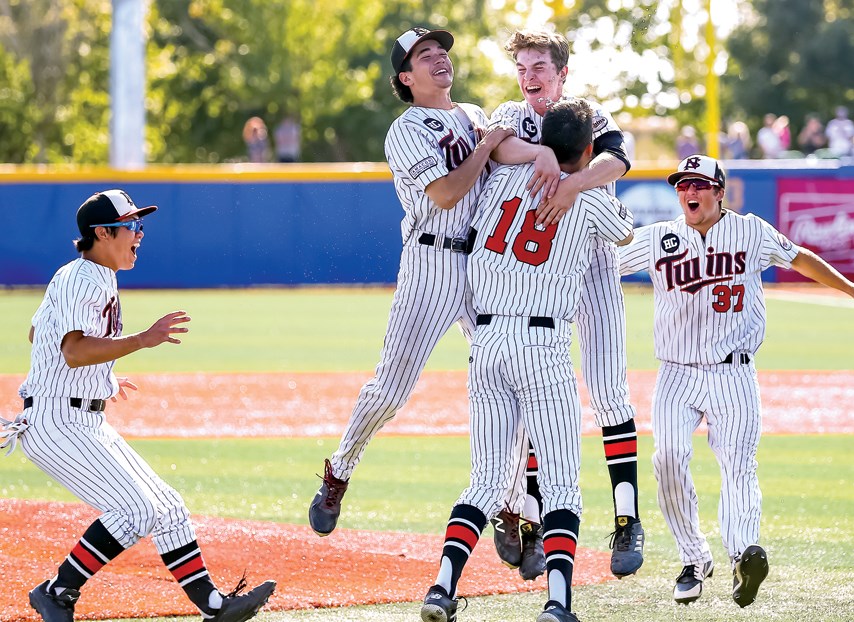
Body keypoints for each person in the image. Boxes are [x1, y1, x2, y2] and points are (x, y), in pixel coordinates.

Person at [0, 190, 276, 622]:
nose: (139, 234)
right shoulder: (84, 277)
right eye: (131, 225)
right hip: (56, 421)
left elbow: (40, 335)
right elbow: (72, 350)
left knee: (167, 506)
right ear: (103, 232)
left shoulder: (91, 276)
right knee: (135, 509)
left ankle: (214, 605)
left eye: (139, 225)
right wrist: (140, 341)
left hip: (79, 416)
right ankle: (57, 592)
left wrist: (100, 377)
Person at [420, 98, 634, 622]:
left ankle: (441, 590)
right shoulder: (589, 200)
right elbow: (625, 233)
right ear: (587, 148)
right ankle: (557, 604)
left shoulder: (497, 180)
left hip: (487, 342)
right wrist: (580, 181)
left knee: (486, 482)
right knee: (562, 485)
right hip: (544, 346)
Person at [617, 156, 854, 608]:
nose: (690, 190)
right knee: (668, 457)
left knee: (738, 464)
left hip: (734, 372)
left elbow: (800, 258)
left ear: (719, 192)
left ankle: (742, 554)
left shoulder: (750, 231)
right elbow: (600, 266)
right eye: (683, 183)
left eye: (700, 184)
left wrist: (850, 290)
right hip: (677, 372)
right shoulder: (657, 239)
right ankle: (692, 557)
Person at [307, 28, 513, 537]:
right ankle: (340, 469)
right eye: (425, 55)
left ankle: (512, 506)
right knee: (391, 391)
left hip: (486, 266)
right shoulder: (406, 128)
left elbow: (508, 165)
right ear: (406, 77)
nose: (439, 56)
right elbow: (444, 193)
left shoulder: (473, 114)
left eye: (441, 50)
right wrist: (488, 142)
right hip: (432, 263)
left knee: (507, 383)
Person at [487, 28, 644, 581]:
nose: (530, 76)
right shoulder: (511, 111)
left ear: (562, 74)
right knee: (535, 392)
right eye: (524, 66)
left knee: (607, 388)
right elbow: (500, 146)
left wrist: (572, 182)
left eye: (540, 67)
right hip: (534, 276)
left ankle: (627, 518)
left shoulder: (589, 115)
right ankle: (529, 519)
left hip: (592, 260)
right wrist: (545, 156)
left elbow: (618, 160)